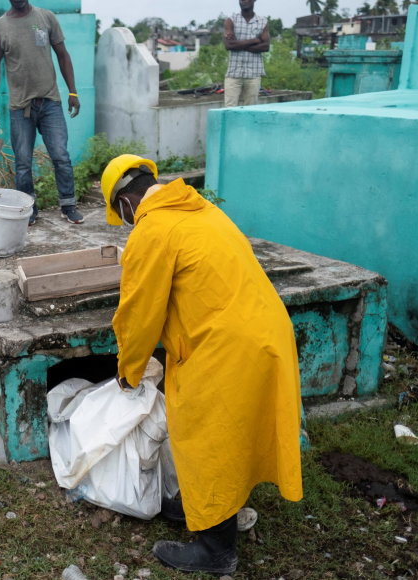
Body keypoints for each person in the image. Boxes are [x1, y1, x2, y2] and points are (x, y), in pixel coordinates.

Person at [100, 154, 303, 575]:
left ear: (125, 203)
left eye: (122, 216)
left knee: (206, 436)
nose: (126, 223)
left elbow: (139, 313)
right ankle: (207, 504)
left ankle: (216, 552)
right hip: (266, 331)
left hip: (225, 344)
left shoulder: (152, 230)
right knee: (237, 431)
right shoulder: (200, 208)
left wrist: (128, 370)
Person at [0, 0, 84, 226]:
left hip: (50, 103)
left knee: (61, 156)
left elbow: (62, 55)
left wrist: (73, 92)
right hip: (20, 108)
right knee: (22, 163)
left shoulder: (46, 17)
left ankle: (68, 205)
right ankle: (28, 209)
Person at [224, 0, 270, 107]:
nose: (244, 1)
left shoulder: (262, 21)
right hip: (233, 74)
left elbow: (266, 46)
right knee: (229, 109)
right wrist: (255, 40)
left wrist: (239, 44)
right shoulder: (231, 20)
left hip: (253, 74)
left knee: (250, 109)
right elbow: (229, 45)